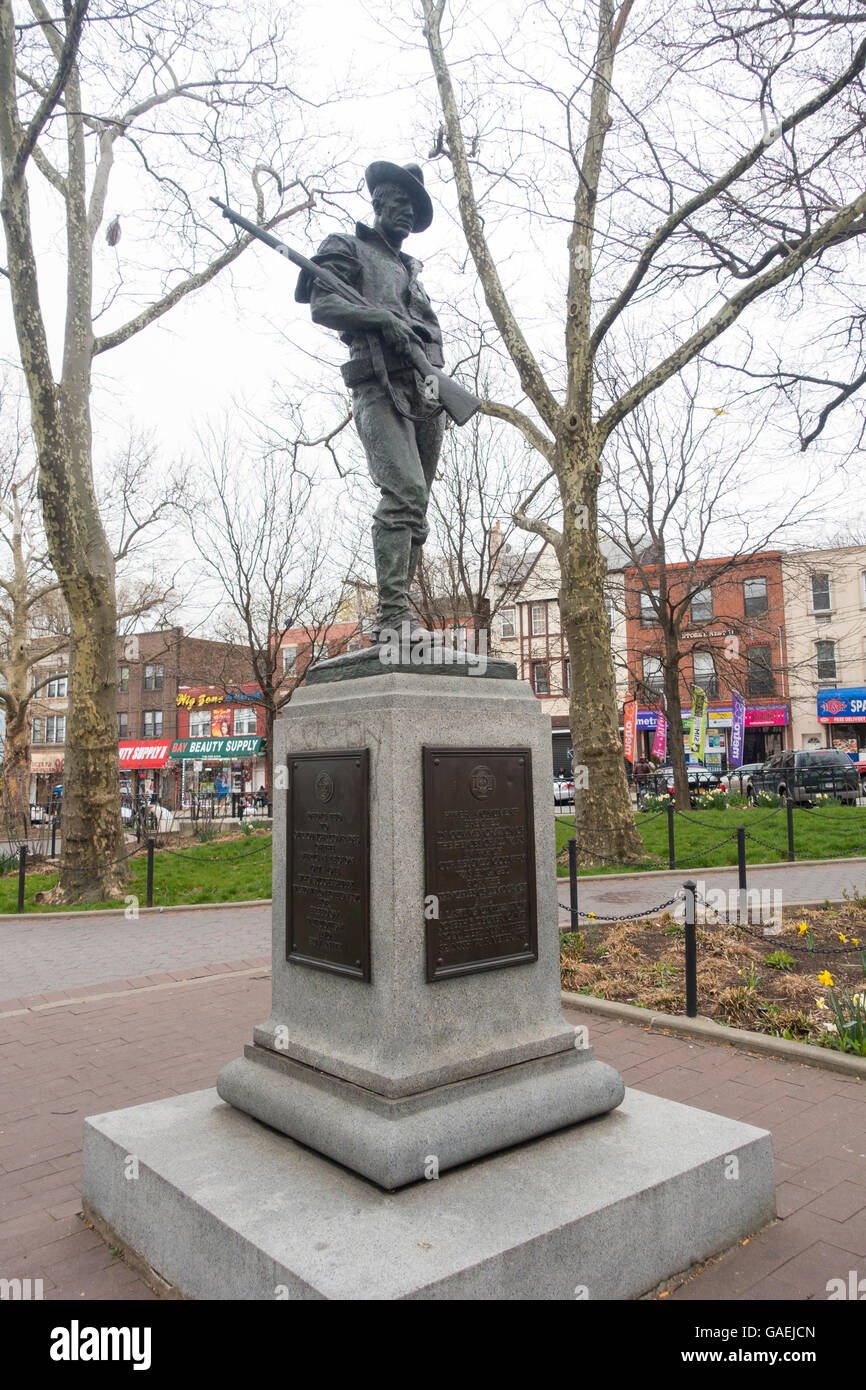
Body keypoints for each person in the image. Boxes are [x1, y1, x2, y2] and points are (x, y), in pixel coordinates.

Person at [295, 160, 445, 638]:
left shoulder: (409, 270)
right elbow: (324, 306)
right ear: (379, 203)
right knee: (405, 492)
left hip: (422, 392)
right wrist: (382, 321)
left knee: (417, 510)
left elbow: (433, 335)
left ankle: (402, 616)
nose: (407, 215)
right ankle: (392, 618)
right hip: (375, 384)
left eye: (414, 211)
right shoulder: (346, 247)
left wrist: (424, 357)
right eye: (400, 204)